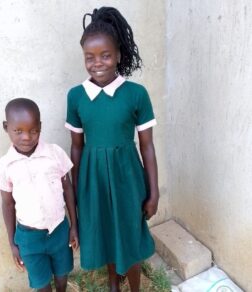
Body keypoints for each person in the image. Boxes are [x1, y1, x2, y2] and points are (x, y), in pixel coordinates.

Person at [65, 6, 159, 292]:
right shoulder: (76, 96)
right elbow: (76, 149)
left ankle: (134, 285)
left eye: (105, 55)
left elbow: (147, 146)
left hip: (127, 177)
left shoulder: (136, 94)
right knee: (105, 231)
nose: (98, 63)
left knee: (129, 234)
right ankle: (113, 285)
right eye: (89, 58)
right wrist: (80, 189)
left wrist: (153, 191)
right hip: (93, 179)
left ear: (118, 54)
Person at [0, 98, 78, 292]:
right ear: (6, 127)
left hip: (59, 230)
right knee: (41, 285)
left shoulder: (55, 154)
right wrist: (12, 243)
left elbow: (68, 189)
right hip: (29, 239)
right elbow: (7, 205)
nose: (27, 137)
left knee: (62, 276)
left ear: (40, 127)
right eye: (18, 131)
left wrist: (74, 225)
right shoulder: (5, 166)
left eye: (33, 130)